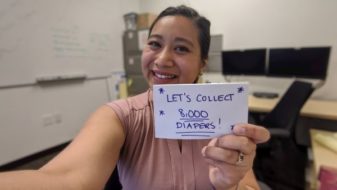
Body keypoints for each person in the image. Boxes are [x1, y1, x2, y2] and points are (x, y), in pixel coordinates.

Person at [0, 5, 270, 190]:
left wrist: (231, 184)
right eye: (154, 44)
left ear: (202, 63)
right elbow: (67, 180)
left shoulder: (225, 114)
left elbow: (249, 185)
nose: (162, 59)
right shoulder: (120, 116)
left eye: (181, 48)